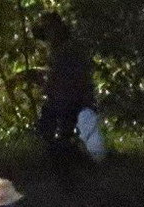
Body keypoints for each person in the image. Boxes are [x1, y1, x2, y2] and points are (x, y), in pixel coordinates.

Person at [32, 15, 100, 165]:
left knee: (59, 130)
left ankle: (70, 156)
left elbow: (66, 80)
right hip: (64, 100)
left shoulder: (67, 50)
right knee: (48, 129)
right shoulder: (61, 50)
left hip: (72, 101)